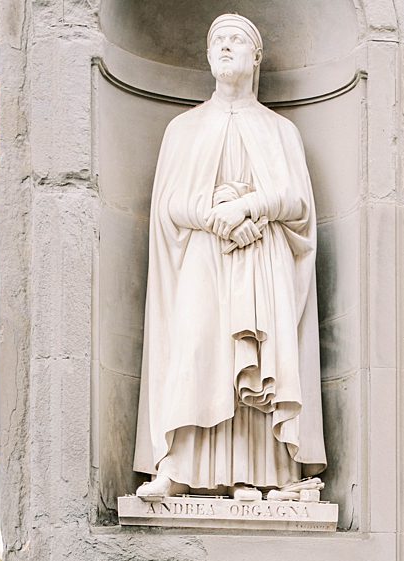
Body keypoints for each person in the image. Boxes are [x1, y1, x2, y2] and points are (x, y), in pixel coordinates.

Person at [133, 13, 325, 502]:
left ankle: (255, 474)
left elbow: (298, 202)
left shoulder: (281, 131)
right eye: (218, 40)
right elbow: (168, 204)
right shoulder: (185, 127)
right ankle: (179, 467)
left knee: (259, 354)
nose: (226, 46)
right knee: (198, 349)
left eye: (237, 40)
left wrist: (248, 206)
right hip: (205, 252)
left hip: (263, 254)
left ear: (255, 57)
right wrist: (213, 213)